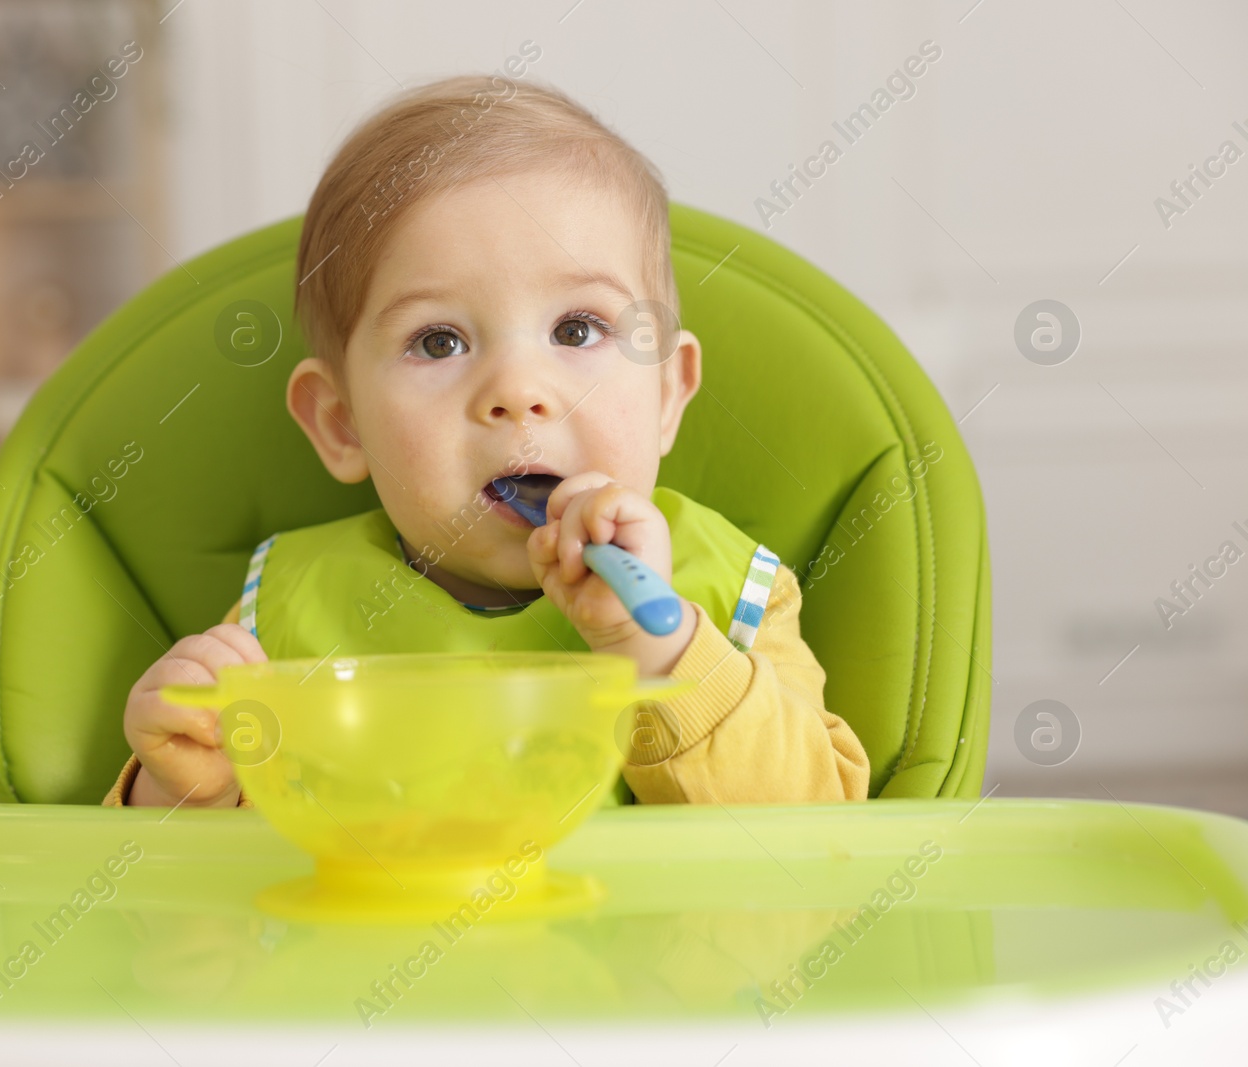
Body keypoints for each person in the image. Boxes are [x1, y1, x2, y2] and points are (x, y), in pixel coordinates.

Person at [105, 74, 869, 809]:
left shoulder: (729, 595)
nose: (517, 389)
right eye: (438, 342)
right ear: (342, 425)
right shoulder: (282, 616)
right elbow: (180, 904)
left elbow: (817, 834)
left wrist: (657, 655)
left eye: (577, 329)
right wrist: (179, 788)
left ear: (667, 393)